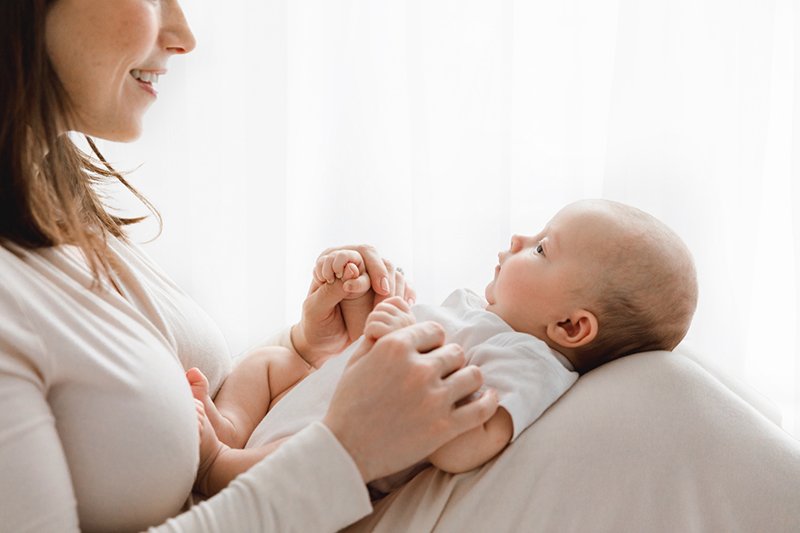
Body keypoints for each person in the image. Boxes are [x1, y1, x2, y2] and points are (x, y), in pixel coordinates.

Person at [0, 1, 499, 531]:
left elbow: (171, 403)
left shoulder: (49, 205)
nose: (183, 36)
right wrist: (349, 450)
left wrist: (308, 353)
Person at [187, 199, 699, 498]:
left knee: (307, 457)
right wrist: (370, 301)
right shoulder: (476, 311)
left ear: (569, 325)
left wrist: (395, 340)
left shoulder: (530, 364)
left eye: (542, 248)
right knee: (269, 363)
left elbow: (465, 444)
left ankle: (218, 468)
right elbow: (361, 358)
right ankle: (231, 427)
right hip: (321, 397)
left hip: (339, 448)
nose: (520, 238)